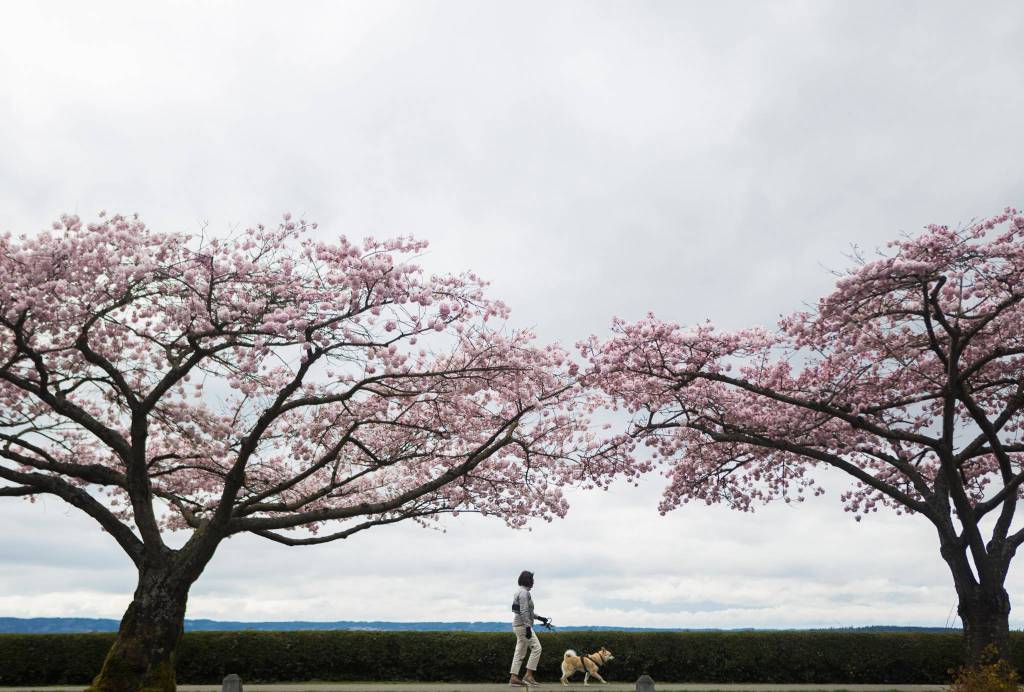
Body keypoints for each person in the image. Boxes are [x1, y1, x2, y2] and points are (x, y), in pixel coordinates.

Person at [509, 570, 549, 687]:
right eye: (532, 580)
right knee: (537, 648)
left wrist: (539, 617)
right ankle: (528, 676)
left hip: (518, 625)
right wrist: (527, 627)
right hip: (522, 626)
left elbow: (527, 611)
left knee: (520, 652)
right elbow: (524, 611)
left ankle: (514, 678)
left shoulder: (519, 592)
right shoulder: (524, 593)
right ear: (528, 581)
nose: (533, 583)